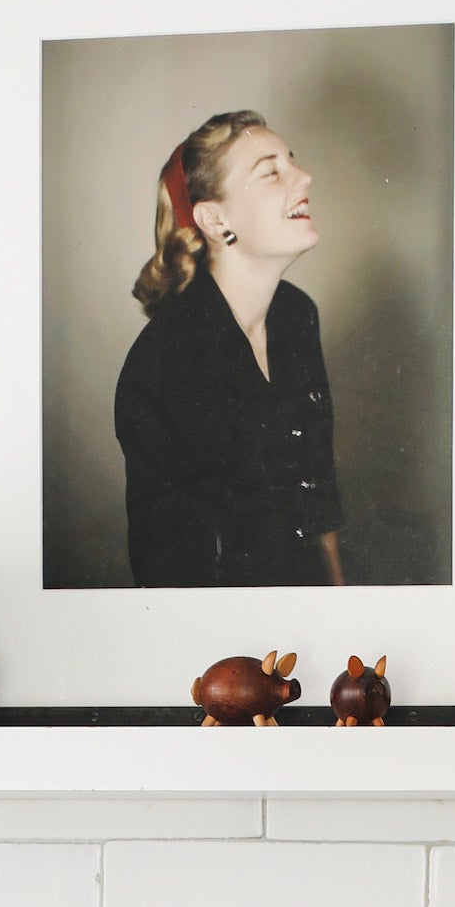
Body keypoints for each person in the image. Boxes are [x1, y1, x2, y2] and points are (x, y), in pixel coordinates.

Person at [114, 109, 346, 590]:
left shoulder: (296, 315)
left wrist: (341, 608)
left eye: (292, 162)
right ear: (215, 220)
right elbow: (170, 575)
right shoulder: (162, 366)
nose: (304, 177)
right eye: (271, 171)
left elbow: (318, 495)